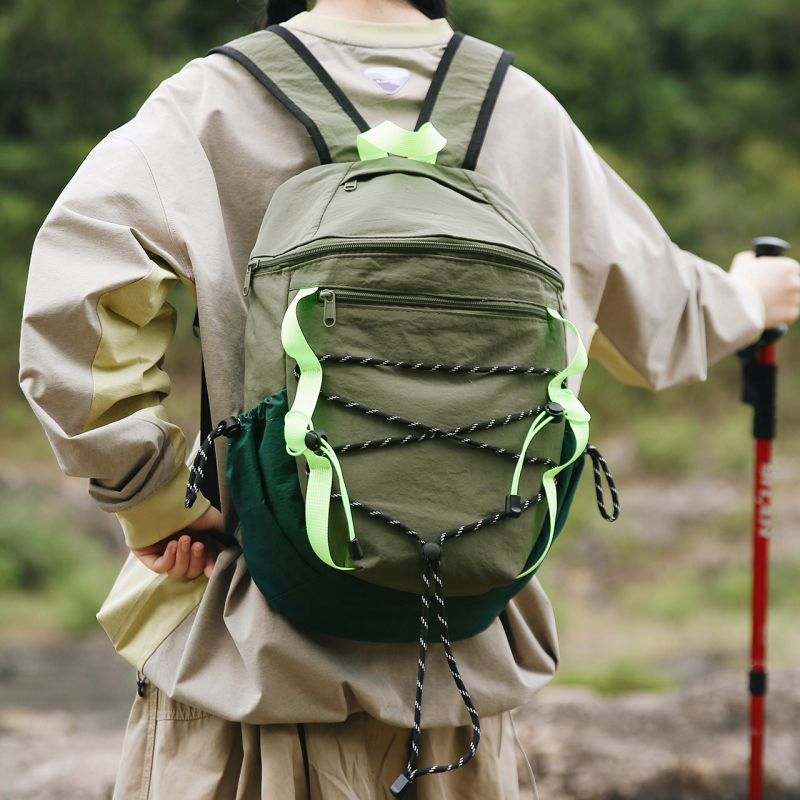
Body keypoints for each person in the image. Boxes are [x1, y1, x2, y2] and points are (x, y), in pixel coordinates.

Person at [18, 0, 800, 798]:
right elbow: (658, 315)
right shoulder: (521, 113)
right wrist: (748, 298)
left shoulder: (209, 102)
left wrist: (154, 498)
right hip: (455, 689)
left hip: (248, 672)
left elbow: (76, 308)